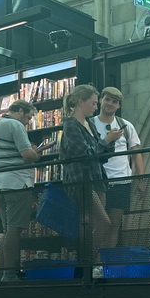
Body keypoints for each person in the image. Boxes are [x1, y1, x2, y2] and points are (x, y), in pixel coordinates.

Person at [59, 84, 119, 269]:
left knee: (90, 225)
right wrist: (106, 141)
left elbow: (100, 155)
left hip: (96, 179)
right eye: (93, 103)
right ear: (80, 102)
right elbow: (84, 153)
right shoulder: (71, 125)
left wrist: (110, 141)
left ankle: (90, 265)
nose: (95, 107)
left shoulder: (89, 124)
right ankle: (88, 263)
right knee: (103, 223)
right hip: (81, 180)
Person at [0, 99, 40, 283]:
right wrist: (35, 152)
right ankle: (9, 273)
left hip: (0, 183)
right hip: (17, 183)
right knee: (14, 231)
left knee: (7, 231)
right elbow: (27, 156)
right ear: (19, 110)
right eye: (28, 116)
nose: (27, 122)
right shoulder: (15, 126)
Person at [89, 86, 144, 245]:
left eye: (114, 101)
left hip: (122, 181)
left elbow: (136, 153)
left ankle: (106, 265)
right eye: (107, 99)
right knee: (97, 224)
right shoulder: (90, 124)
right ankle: (94, 262)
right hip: (98, 181)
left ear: (118, 106)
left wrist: (141, 180)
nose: (110, 104)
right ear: (101, 100)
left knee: (114, 225)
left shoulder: (126, 126)